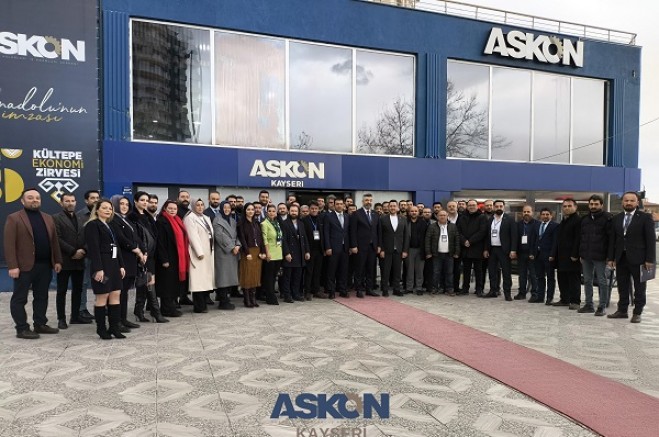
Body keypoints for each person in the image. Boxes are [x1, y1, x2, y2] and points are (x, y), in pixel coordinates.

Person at [4, 188, 63, 339]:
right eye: (30, 198)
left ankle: (40, 324)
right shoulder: (14, 218)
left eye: (37, 198)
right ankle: (22, 328)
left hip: (45, 266)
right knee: (20, 298)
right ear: (22, 201)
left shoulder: (48, 218)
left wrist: (57, 260)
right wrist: (12, 266)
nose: (34, 200)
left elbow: (54, 242)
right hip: (24, 267)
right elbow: (9, 244)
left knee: (42, 297)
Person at [607, 192, 655, 323]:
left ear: (637, 202)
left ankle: (637, 312)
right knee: (622, 286)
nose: (628, 203)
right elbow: (613, 240)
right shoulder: (617, 218)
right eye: (626, 200)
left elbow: (650, 240)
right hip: (621, 258)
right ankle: (622, 310)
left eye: (632, 201)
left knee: (639, 288)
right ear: (622, 202)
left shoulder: (645, 218)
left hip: (640, 259)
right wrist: (611, 258)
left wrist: (650, 259)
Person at [84, 199, 127, 339]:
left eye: (110, 208)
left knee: (115, 294)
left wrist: (121, 265)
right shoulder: (92, 225)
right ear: (97, 210)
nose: (108, 210)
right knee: (102, 296)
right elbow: (94, 248)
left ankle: (114, 328)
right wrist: (98, 269)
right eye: (104, 208)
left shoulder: (109, 225)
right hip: (102, 266)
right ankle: (101, 329)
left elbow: (116, 247)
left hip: (114, 266)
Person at [128, 191, 168, 323]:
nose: (145, 203)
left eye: (146, 200)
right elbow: (136, 237)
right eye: (142, 200)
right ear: (135, 201)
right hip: (142, 255)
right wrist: (142, 252)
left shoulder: (147, 216)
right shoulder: (132, 217)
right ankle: (156, 313)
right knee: (150, 283)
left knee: (144, 282)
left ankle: (139, 310)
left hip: (151, 254)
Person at [53, 193, 89, 329]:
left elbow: (87, 237)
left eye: (72, 201)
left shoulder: (80, 218)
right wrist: (73, 251)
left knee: (78, 290)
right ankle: (61, 319)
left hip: (79, 261)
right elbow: (57, 238)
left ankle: (75, 316)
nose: (70, 203)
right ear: (61, 203)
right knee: (62, 291)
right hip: (65, 260)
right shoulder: (56, 218)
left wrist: (83, 250)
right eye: (67, 201)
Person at [110, 195, 144, 331]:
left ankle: (123, 319)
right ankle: (117, 321)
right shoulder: (113, 219)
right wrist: (136, 249)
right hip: (122, 260)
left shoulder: (127, 219)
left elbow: (135, 237)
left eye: (126, 204)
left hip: (131, 260)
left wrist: (142, 250)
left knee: (125, 292)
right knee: (119, 292)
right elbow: (120, 238)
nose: (124, 206)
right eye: (121, 204)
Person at [579, 195, 612, 315]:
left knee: (602, 281)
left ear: (601, 205)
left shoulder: (608, 218)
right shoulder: (585, 219)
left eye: (596, 204)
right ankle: (589, 305)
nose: (593, 206)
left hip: (601, 256)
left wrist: (610, 257)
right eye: (591, 204)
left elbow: (611, 239)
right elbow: (581, 238)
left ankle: (602, 306)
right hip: (586, 256)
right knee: (587, 280)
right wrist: (581, 254)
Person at [156, 200, 189, 317]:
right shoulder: (161, 221)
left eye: (175, 209)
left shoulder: (178, 220)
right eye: (170, 208)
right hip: (167, 258)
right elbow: (159, 242)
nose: (172, 210)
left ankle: (171, 306)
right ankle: (166, 309)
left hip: (176, 257)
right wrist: (164, 259)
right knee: (167, 285)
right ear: (165, 208)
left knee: (173, 284)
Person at [184, 199, 215, 313]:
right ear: (193, 206)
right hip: (198, 254)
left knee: (205, 280)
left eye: (202, 205)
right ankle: (199, 306)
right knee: (198, 282)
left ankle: (204, 303)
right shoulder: (189, 218)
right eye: (197, 205)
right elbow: (193, 236)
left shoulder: (206, 217)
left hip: (208, 251)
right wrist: (199, 252)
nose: (200, 207)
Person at [483, 200, 517, 301]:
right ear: (494, 207)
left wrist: (513, 250)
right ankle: (493, 291)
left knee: (506, 272)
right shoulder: (490, 219)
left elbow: (514, 236)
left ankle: (507, 293)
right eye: (497, 206)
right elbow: (487, 236)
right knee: (492, 272)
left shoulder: (509, 219)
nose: (499, 208)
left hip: (504, 250)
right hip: (492, 249)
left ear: (504, 207)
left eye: (501, 206)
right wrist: (486, 249)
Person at [552, 199, 581, 309]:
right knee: (562, 278)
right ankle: (564, 299)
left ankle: (575, 301)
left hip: (572, 256)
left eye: (569, 206)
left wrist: (575, 254)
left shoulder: (577, 221)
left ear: (575, 207)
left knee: (573, 279)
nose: (567, 208)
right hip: (561, 256)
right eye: (564, 206)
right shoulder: (564, 220)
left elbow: (578, 239)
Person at [350, 194, 380, 298]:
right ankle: (359, 289)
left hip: (372, 247)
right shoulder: (356, 214)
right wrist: (354, 245)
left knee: (370, 269)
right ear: (363, 202)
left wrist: (378, 245)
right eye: (366, 200)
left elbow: (378, 231)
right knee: (359, 269)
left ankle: (369, 289)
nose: (369, 202)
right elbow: (352, 231)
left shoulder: (375, 214)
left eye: (370, 200)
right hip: (360, 246)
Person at [77, 189, 100, 322]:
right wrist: (85, 249)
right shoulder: (80, 216)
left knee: (103, 281)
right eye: (93, 198)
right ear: (86, 201)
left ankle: (101, 307)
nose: (96, 200)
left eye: (97, 198)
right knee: (84, 283)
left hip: (101, 256)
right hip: (87, 255)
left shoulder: (103, 213)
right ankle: (82, 309)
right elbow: (80, 236)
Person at [238, 203, 267, 307]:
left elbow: (261, 238)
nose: (251, 211)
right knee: (247, 275)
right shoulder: (241, 223)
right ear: (245, 211)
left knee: (255, 275)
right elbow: (242, 239)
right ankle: (247, 300)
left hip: (257, 251)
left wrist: (263, 252)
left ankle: (253, 298)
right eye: (248, 209)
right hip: (248, 252)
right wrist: (247, 252)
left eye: (252, 209)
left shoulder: (257, 223)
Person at [425, 210, 461, 295]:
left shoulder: (453, 226)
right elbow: (427, 240)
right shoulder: (432, 226)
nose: (442, 217)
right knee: (436, 272)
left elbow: (457, 240)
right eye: (440, 215)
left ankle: (449, 289)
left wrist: (457, 252)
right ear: (437, 217)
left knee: (449, 273)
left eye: (444, 215)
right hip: (436, 254)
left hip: (449, 254)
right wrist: (428, 252)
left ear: (447, 216)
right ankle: (435, 288)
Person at [379, 200, 409, 297]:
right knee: (386, 271)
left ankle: (396, 289)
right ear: (388, 208)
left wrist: (405, 250)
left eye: (394, 206)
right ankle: (385, 289)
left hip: (399, 249)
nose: (392, 208)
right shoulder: (383, 219)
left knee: (397, 271)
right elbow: (380, 235)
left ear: (397, 208)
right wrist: (381, 249)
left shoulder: (403, 219)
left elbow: (406, 236)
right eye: (390, 206)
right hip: (386, 249)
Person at [212, 201, 239, 310]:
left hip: (233, 252)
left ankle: (226, 299)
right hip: (223, 252)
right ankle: (222, 301)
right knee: (223, 277)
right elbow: (220, 236)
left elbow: (237, 234)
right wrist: (232, 247)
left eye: (228, 207)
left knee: (229, 277)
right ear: (221, 208)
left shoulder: (233, 221)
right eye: (225, 207)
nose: (227, 209)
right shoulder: (217, 220)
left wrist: (238, 245)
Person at [281, 205, 310, 302]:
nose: (294, 213)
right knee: (287, 276)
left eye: (295, 211)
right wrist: (286, 253)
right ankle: (287, 295)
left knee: (297, 276)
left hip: (300, 253)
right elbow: (283, 240)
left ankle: (296, 294)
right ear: (289, 212)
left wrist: (307, 251)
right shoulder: (284, 223)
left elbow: (305, 238)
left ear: (298, 212)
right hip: (290, 253)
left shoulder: (301, 223)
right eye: (292, 211)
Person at [457, 200, 487, 296]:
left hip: (477, 247)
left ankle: (479, 289)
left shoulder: (482, 217)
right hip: (465, 247)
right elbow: (458, 231)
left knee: (478, 270)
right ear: (467, 206)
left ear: (477, 206)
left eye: (473, 205)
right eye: (469, 205)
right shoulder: (462, 217)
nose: (471, 207)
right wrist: (464, 241)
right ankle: (465, 288)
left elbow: (482, 231)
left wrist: (470, 241)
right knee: (466, 270)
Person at [323, 198, 351, 299]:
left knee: (344, 270)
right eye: (337, 204)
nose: (339, 206)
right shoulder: (328, 216)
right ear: (334, 205)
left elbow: (349, 232)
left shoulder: (347, 216)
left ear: (344, 205)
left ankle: (343, 290)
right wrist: (328, 247)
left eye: (341, 204)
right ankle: (331, 291)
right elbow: (326, 232)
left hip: (345, 248)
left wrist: (350, 246)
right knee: (331, 270)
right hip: (333, 247)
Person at [302, 201, 327, 299]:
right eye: (312, 208)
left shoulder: (321, 219)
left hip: (319, 249)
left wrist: (324, 248)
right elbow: (304, 237)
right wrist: (306, 250)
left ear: (318, 209)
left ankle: (316, 290)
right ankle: (307, 291)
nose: (314, 210)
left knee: (317, 271)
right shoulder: (304, 220)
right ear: (309, 209)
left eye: (316, 209)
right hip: (310, 250)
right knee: (309, 271)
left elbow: (324, 234)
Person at [534, 208, 558, 304]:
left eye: (547, 214)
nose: (545, 216)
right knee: (540, 277)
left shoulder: (555, 226)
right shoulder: (537, 225)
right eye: (543, 214)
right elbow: (534, 239)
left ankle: (549, 298)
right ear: (540, 215)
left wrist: (552, 254)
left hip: (549, 255)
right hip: (538, 255)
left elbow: (555, 242)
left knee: (550, 278)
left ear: (551, 215)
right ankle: (540, 297)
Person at [514, 205, 538, 301]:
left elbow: (537, 240)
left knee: (533, 274)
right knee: (522, 274)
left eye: (528, 212)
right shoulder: (518, 224)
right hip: (521, 253)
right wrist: (515, 251)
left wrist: (533, 253)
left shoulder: (537, 224)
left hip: (532, 254)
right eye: (524, 212)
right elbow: (515, 238)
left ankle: (535, 293)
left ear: (532, 213)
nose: (526, 213)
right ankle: (522, 293)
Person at [261, 204, 283, 305]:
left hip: (278, 253)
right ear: (266, 212)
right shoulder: (264, 224)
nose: (271, 213)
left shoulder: (277, 223)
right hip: (270, 253)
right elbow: (264, 239)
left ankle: (271, 294)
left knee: (274, 276)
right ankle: (270, 297)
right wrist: (267, 253)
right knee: (269, 277)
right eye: (269, 211)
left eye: (273, 211)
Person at [405, 205, 427, 295]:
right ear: (409, 212)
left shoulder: (423, 223)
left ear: (418, 212)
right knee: (409, 270)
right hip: (409, 249)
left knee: (420, 270)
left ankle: (419, 288)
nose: (414, 213)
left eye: (415, 211)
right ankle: (409, 287)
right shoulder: (406, 222)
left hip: (420, 250)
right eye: (412, 211)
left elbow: (426, 237)